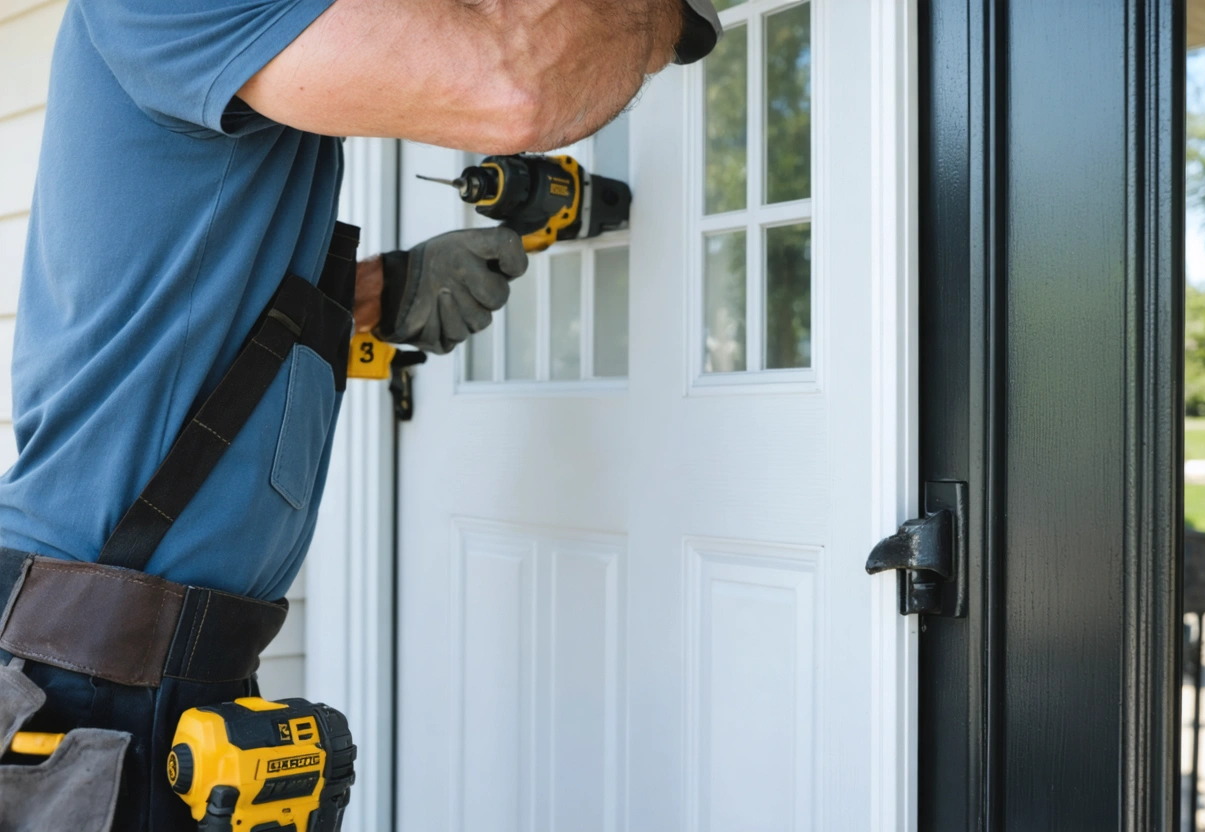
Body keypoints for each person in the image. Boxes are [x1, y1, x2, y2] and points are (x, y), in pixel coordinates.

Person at [0, 0, 721, 829]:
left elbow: (191, 306)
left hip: (158, 668)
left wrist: (375, 293)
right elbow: (515, 86)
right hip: (91, 673)